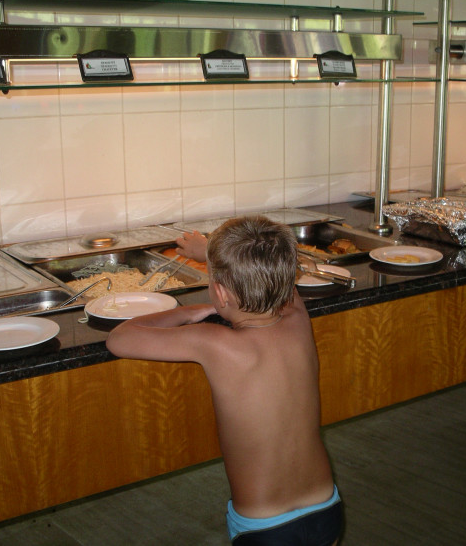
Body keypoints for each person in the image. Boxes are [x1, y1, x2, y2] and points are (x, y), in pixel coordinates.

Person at [106, 215, 343, 545]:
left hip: (265, 526)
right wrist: (211, 253)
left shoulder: (212, 341)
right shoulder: (297, 317)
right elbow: (276, 274)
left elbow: (119, 338)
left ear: (219, 292)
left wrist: (188, 313)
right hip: (326, 508)